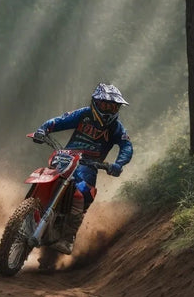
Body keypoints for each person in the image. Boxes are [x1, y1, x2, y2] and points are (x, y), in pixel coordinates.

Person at [32, 83, 134, 254]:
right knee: (45, 176)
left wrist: (118, 164)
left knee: (81, 193)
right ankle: (27, 211)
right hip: (66, 157)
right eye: (105, 105)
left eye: (113, 106)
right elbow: (59, 121)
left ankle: (68, 237)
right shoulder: (83, 114)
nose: (109, 110)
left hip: (89, 165)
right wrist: (43, 130)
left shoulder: (116, 127)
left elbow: (127, 146)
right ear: (95, 102)